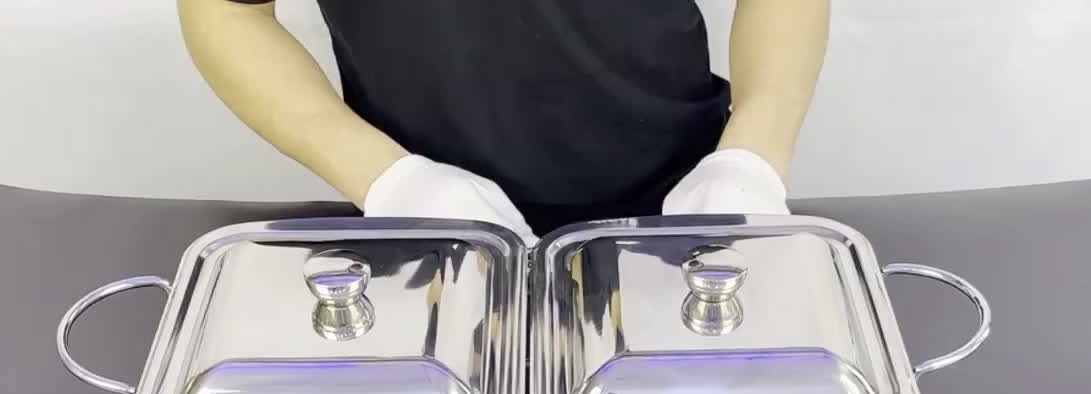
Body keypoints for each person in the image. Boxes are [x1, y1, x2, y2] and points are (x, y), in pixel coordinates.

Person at [177, 0, 828, 241]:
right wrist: (385, 178)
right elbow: (228, 10)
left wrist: (751, 157)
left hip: (684, 207)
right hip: (421, 225)